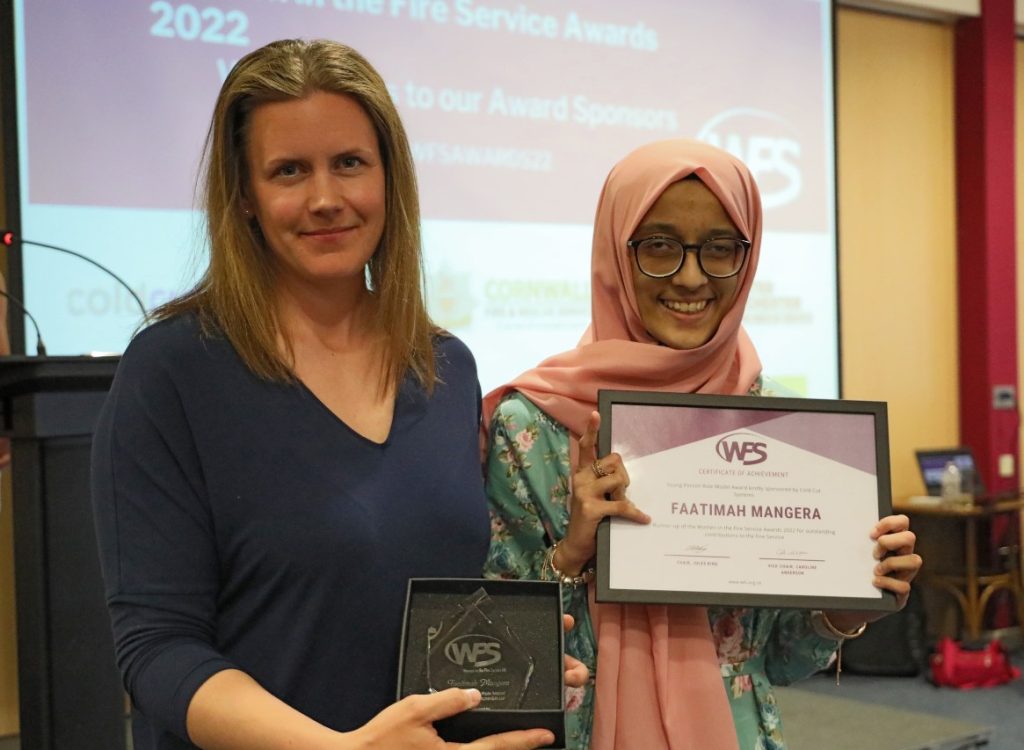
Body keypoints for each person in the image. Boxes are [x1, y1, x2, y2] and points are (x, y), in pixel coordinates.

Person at [91, 39, 575, 750]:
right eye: (289, 171)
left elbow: (426, 608)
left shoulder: (443, 368)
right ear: (246, 199)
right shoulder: (171, 372)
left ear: (389, 180)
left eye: (349, 163)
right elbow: (158, 652)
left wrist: (508, 669)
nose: (325, 198)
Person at [482, 139, 922, 750]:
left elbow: (776, 660)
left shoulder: (769, 416)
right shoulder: (532, 426)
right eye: (659, 246)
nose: (691, 277)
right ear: (616, 250)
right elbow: (493, 654)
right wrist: (573, 553)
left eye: (720, 248)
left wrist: (850, 601)